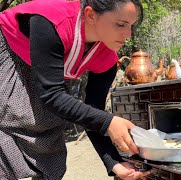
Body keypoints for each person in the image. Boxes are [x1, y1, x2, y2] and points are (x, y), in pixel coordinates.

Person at [0, 0, 151, 179]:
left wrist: (114, 162)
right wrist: (108, 122)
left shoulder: (107, 59)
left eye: (131, 26)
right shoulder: (53, 21)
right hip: (10, 56)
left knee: (49, 135)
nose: (128, 34)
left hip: (47, 82)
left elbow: (93, 113)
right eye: (120, 24)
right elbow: (51, 95)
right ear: (90, 15)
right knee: (14, 117)